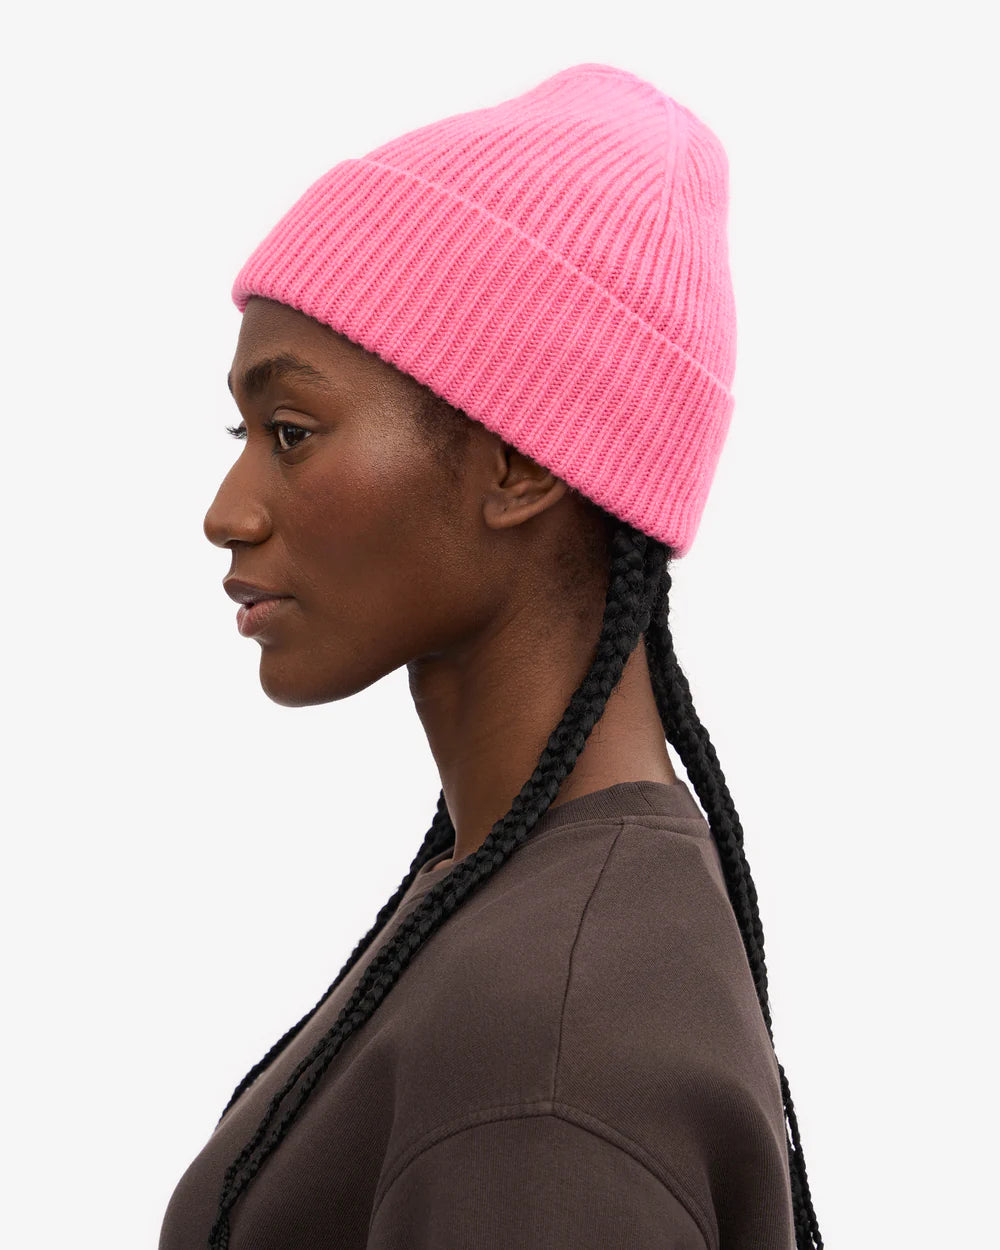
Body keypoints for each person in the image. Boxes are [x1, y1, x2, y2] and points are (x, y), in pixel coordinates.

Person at [160, 62, 824, 1250]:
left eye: (291, 431)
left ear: (520, 462)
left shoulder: (550, 1055)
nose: (227, 510)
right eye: (240, 430)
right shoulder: (528, 909)